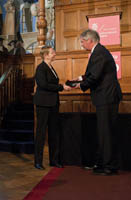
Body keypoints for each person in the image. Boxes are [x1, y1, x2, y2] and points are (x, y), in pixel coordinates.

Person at [74, 29, 122, 176]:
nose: (81, 45)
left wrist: (80, 85)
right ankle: (103, 163)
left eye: (82, 41)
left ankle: (109, 166)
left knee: (106, 133)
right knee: (104, 132)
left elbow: (94, 76)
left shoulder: (99, 52)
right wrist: (81, 79)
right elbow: (93, 73)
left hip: (106, 98)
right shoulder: (99, 51)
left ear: (90, 40)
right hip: (105, 97)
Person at [33, 46, 71, 170]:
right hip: (43, 104)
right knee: (41, 133)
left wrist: (63, 86)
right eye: (52, 52)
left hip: (53, 103)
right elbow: (43, 85)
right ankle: (38, 161)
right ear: (46, 55)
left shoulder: (51, 68)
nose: (54, 53)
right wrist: (61, 87)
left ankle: (53, 160)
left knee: (54, 132)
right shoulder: (40, 68)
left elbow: (51, 84)